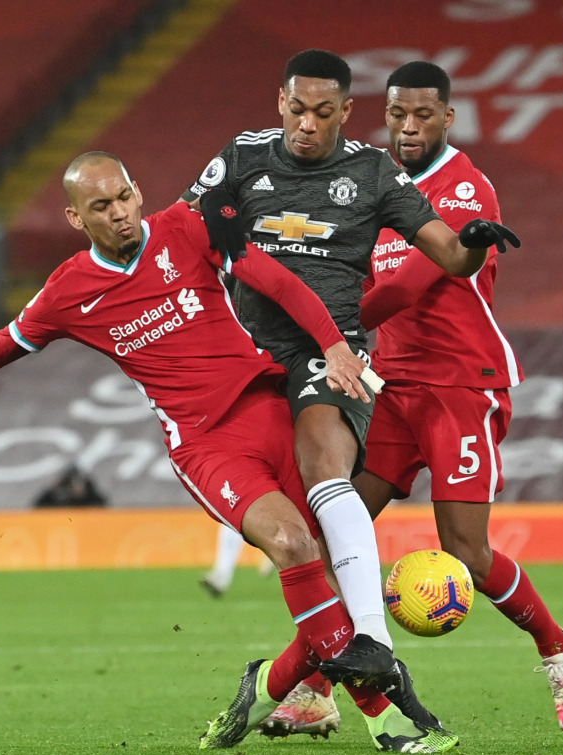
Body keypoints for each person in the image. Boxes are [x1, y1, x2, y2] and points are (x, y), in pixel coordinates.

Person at [0, 152, 455, 754]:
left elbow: (279, 283)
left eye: (124, 197)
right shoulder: (67, 291)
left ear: (138, 193)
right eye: (102, 206)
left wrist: (335, 347)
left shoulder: (189, 228)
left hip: (268, 406)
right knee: (291, 545)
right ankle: (387, 713)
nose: (119, 213)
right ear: (74, 217)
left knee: (333, 566)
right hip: (206, 444)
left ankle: (269, 684)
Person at [266, 61, 563, 736]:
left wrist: (328, 322)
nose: (407, 128)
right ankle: (321, 688)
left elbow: (411, 284)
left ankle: (560, 648)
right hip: (394, 388)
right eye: (397, 115)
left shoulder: (466, 187)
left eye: (422, 116)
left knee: (466, 551)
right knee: (338, 537)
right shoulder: (370, 181)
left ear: (447, 118)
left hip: (460, 386)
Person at [184, 49, 519, 697]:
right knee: (316, 528)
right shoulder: (254, 157)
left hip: (397, 370)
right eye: (297, 108)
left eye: (322, 112)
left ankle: (540, 648)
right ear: (281, 102)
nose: (306, 124)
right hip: (324, 369)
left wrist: (471, 241)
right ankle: (316, 686)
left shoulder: (398, 179)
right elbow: (183, 225)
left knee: (418, 530)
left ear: (345, 112)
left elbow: (432, 269)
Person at [33, 463, 108, 507]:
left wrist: (85, 494)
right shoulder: (56, 497)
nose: (71, 487)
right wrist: (50, 490)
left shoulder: (91, 497)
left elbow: (103, 506)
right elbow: (37, 506)